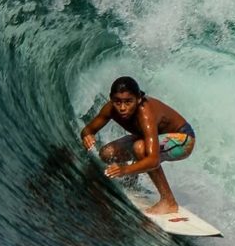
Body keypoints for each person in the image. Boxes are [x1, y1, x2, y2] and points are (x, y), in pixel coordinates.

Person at [80, 76, 196, 215]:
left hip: (183, 139)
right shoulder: (110, 109)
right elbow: (88, 130)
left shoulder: (145, 114)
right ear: (111, 99)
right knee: (107, 153)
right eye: (117, 102)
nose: (122, 108)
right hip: (150, 138)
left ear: (138, 99)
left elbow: (153, 160)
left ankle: (169, 201)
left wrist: (125, 169)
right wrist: (87, 136)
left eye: (128, 102)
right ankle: (132, 183)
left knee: (140, 148)